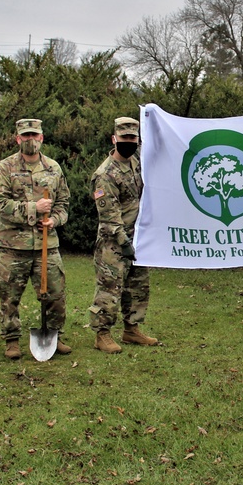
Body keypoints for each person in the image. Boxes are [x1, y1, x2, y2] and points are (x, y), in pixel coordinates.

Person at [0, 118, 72, 359]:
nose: (30, 140)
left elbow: (63, 204)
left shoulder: (54, 168)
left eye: (34, 135)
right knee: (9, 295)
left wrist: (54, 220)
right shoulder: (4, 168)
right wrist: (34, 208)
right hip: (12, 245)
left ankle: (54, 335)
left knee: (55, 294)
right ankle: (12, 340)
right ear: (17, 139)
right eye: (26, 136)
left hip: (47, 243)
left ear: (42, 138)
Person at [89, 116, 158, 353]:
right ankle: (102, 334)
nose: (129, 142)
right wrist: (123, 242)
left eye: (133, 138)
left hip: (138, 238)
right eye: (124, 138)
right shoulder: (105, 174)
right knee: (110, 289)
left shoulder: (136, 163)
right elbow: (108, 216)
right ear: (114, 139)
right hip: (114, 242)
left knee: (137, 286)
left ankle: (132, 329)